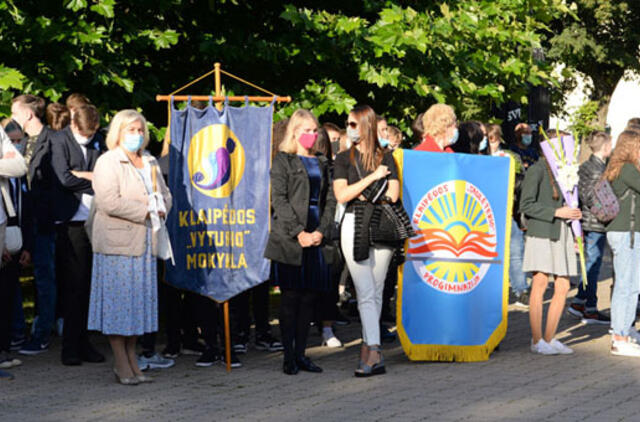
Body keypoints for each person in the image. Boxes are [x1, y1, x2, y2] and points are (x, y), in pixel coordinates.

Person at [87, 110, 172, 385]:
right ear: (118, 132)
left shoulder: (149, 160)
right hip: (117, 245)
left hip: (147, 243)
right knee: (118, 307)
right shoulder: (108, 162)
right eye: (130, 130)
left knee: (138, 308)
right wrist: (147, 210)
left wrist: (161, 207)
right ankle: (120, 362)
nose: (136, 135)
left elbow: (166, 194)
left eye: (139, 130)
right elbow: (109, 202)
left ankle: (133, 358)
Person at [264, 109, 336, 375]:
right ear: (294, 132)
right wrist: (299, 232)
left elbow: (330, 199)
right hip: (291, 238)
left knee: (309, 298)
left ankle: (303, 353)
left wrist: (321, 230)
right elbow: (279, 200)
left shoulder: (321, 161)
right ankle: (288, 356)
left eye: (314, 130)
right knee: (291, 297)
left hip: (317, 234)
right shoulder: (283, 161)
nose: (312, 135)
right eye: (306, 130)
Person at [334, 105, 399, 377]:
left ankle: (369, 350)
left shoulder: (388, 157)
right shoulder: (343, 158)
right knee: (364, 290)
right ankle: (374, 350)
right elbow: (342, 194)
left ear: (366, 126)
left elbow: (393, 195)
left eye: (352, 124)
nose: (348, 129)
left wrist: (361, 192)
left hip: (382, 225)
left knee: (375, 288)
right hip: (353, 224)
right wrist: (373, 179)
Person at [50, 105, 105, 366]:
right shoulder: (58, 140)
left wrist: (84, 175)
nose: (88, 137)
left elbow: (105, 175)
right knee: (73, 284)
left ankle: (84, 341)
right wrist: (92, 178)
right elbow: (63, 179)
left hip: (94, 218)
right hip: (70, 221)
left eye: (91, 133)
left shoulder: (98, 139)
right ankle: (70, 346)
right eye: (84, 133)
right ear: (73, 125)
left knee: (88, 286)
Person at [520, 148, 580, 355]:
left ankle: (549, 337)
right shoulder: (537, 170)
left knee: (563, 285)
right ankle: (537, 340)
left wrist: (573, 212)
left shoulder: (566, 172)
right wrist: (556, 212)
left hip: (561, 231)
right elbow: (525, 205)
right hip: (542, 231)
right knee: (540, 282)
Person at [11, 95, 58, 356]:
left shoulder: (53, 140)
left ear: (28, 114)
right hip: (26, 221)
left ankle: (42, 334)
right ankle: (31, 329)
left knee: (45, 277)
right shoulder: (24, 142)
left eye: (15, 112)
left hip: (44, 221)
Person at [568, 131, 612, 325]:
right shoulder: (597, 169)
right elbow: (592, 197)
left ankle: (579, 301)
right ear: (604, 147)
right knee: (593, 265)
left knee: (591, 263)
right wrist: (608, 213)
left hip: (591, 221)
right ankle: (590, 308)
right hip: (595, 222)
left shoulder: (588, 166)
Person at [603, 130, 640, 356]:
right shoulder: (626, 169)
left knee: (631, 284)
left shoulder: (620, 168)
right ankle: (619, 336)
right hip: (627, 232)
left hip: (628, 231)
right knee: (626, 285)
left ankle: (625, 330)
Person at [0, 124, 28, 374]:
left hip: (8, 232)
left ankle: (4, 350)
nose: (17, 144)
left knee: (6, 296)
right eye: (12, 142)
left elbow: (19, 166)